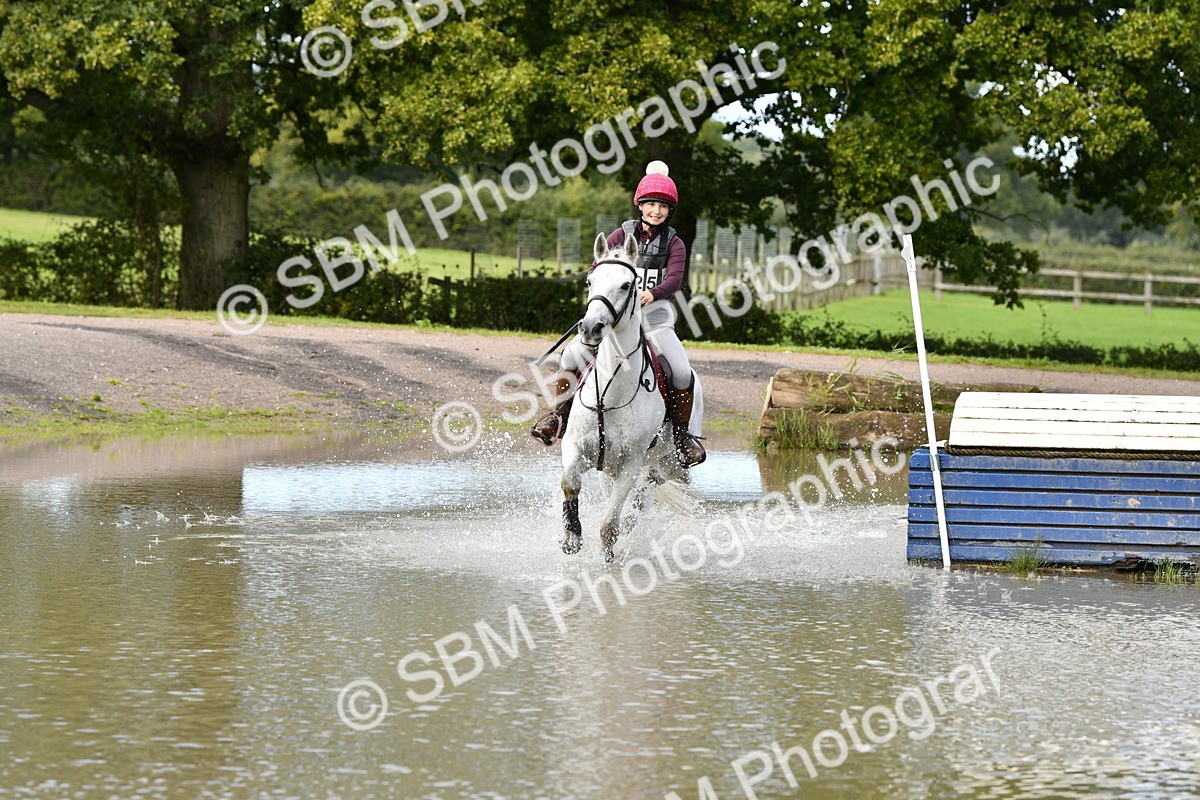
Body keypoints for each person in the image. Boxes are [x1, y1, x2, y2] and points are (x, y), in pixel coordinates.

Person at [531, 160, 706, 468]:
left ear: (669, 210)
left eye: (662, 206)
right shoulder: (619, 235)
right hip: (615, 319)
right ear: (640, 205)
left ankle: (681, 435)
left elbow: (677, 278)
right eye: (650, 204)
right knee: (572, 356)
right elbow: (598, 267)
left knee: (680, 370)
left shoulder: (674, 243)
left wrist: (652, 293)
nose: (656, 211)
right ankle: (558, 417)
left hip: (655, 317)